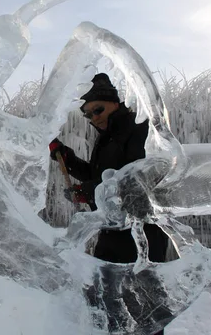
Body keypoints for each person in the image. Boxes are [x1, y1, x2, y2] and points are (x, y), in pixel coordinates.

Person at [49, 73, 169, 333]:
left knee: (142, 312)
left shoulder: (139, 129)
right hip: (113, 233)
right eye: (88, 114)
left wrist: (90, 190)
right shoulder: (107, 138)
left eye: (98, 110)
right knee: (105, 306)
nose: (94, 118)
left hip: (141, 236)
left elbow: (134, 180)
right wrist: (63, 154)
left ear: (115, 103)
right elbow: (99, 177)